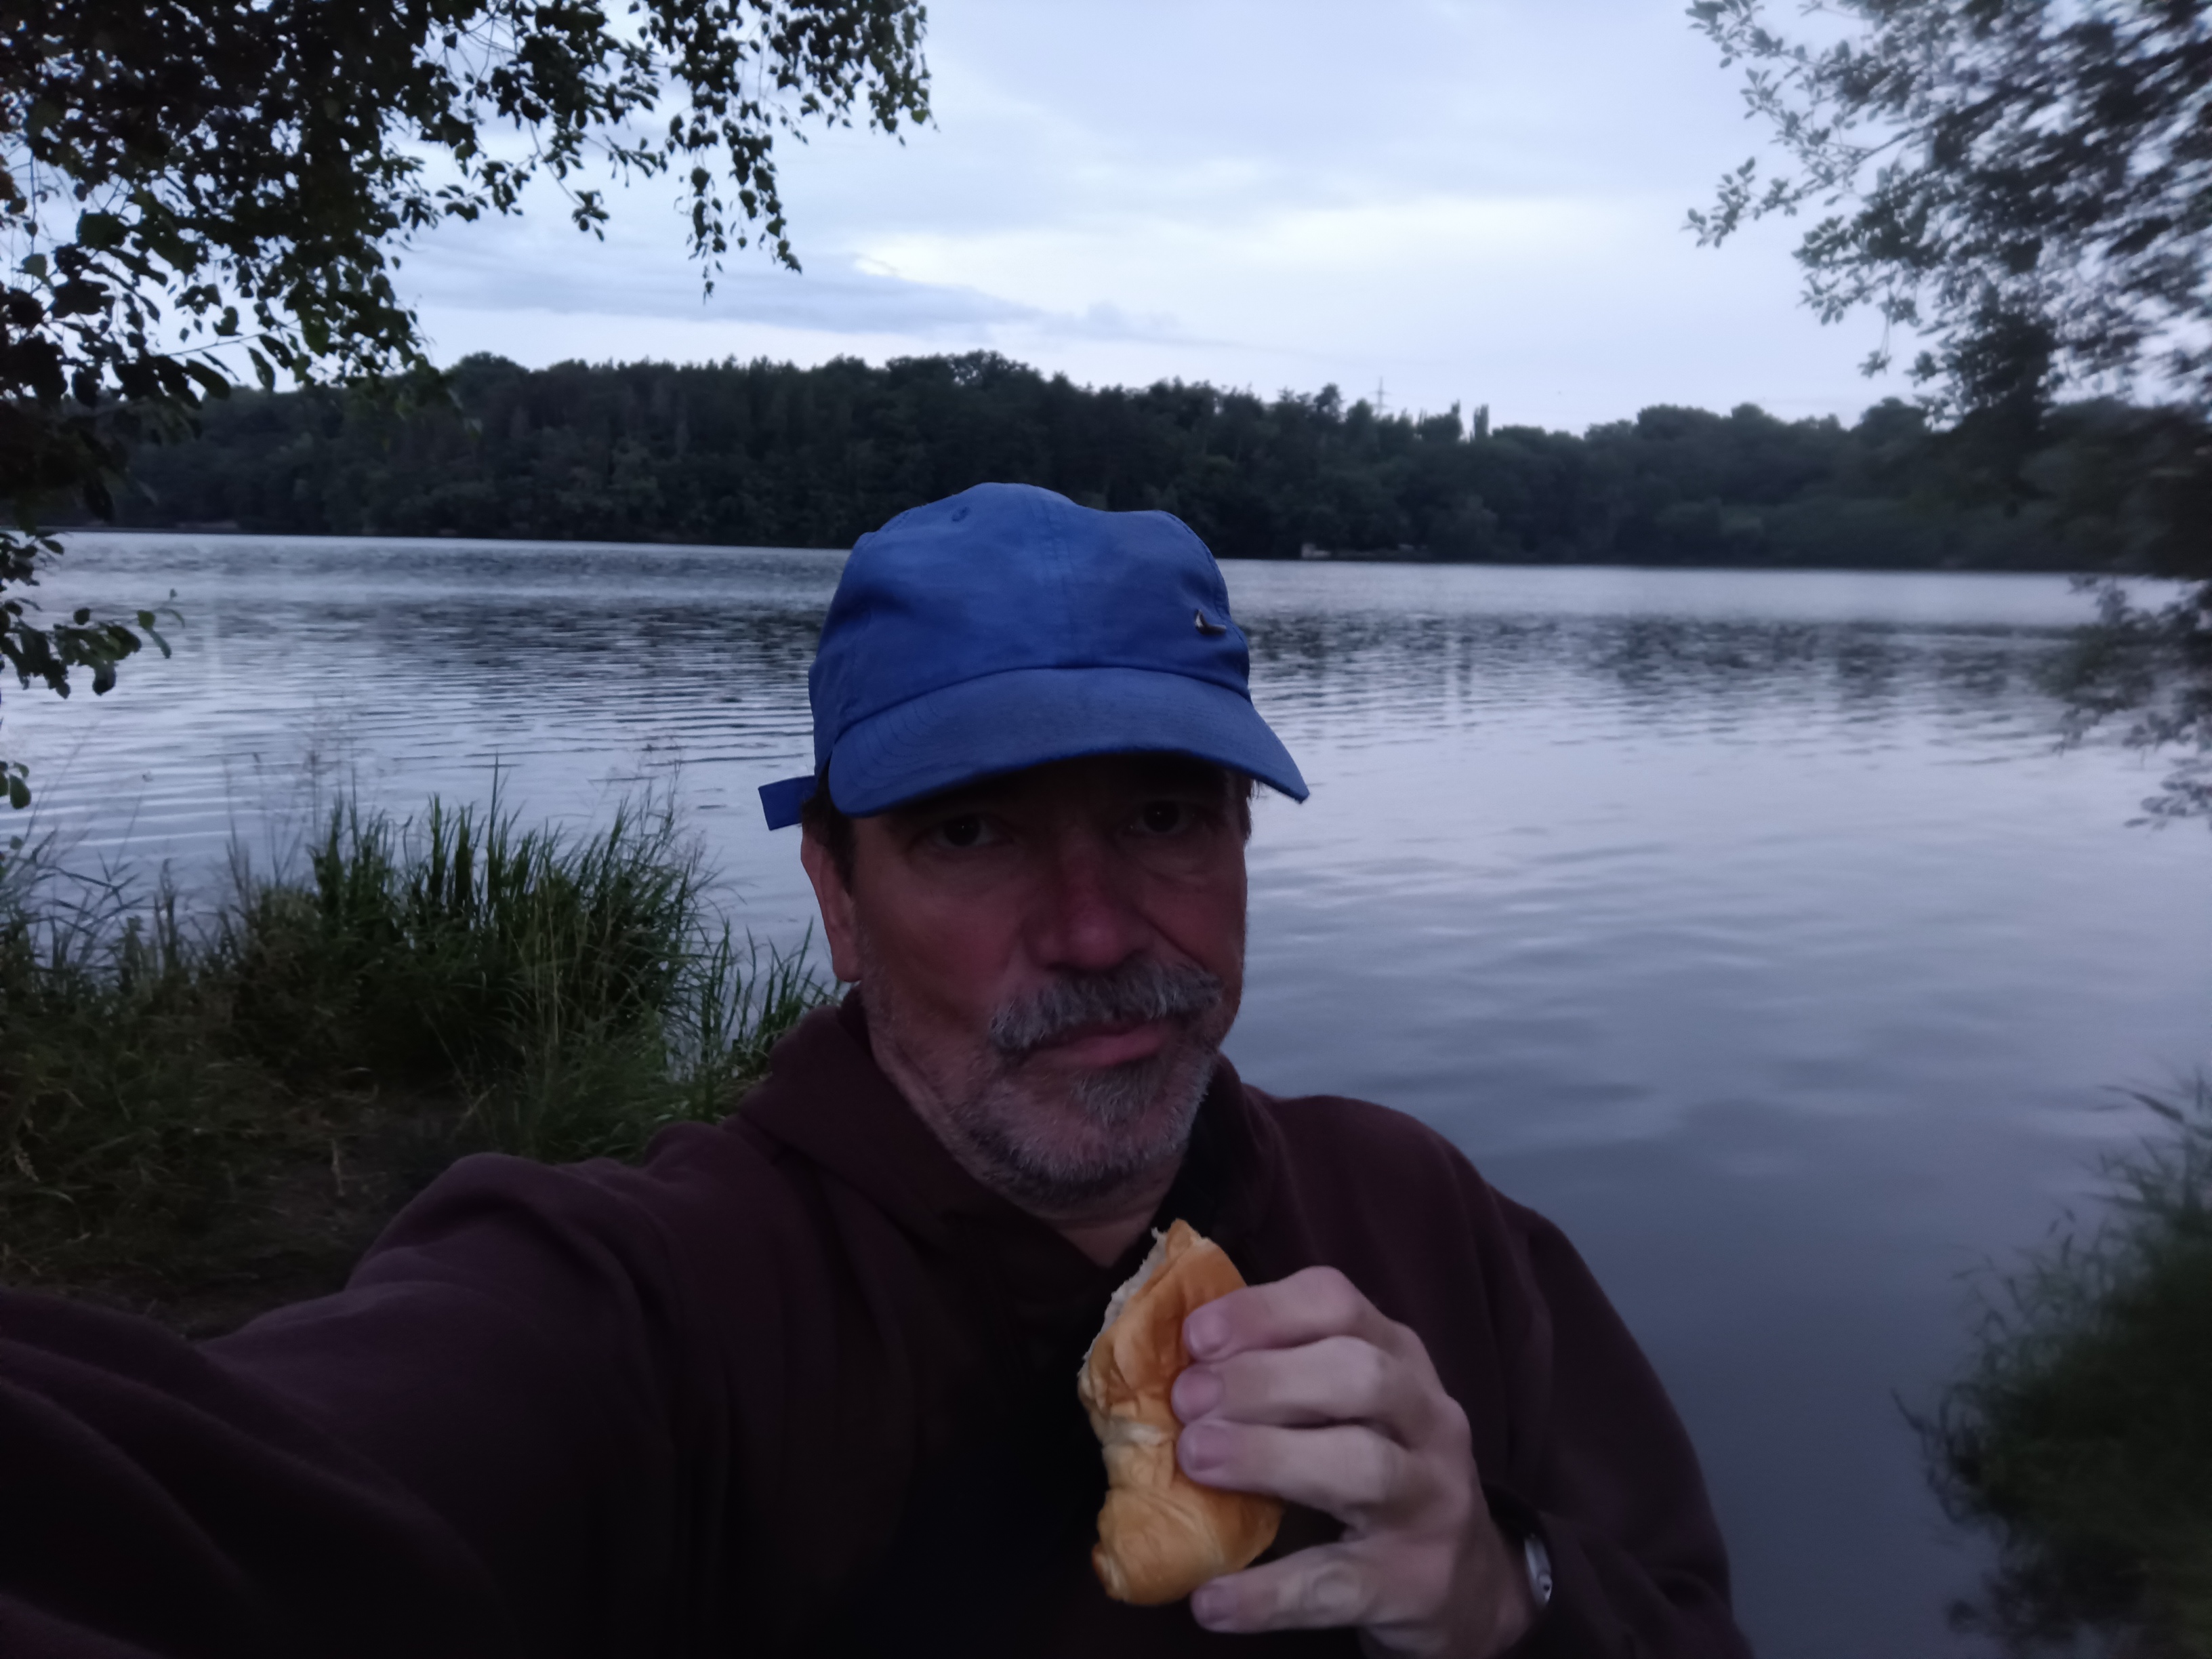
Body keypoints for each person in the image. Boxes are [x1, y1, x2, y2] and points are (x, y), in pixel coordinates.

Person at [0, 484, 1748, 1658]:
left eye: (1163, 815)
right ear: (835, 896)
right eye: (971, 832)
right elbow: (189, 1504)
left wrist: (1512, 1596)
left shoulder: (1425, 1227)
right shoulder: (656, 1310)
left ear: (1241, 842)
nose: (1093, 930)